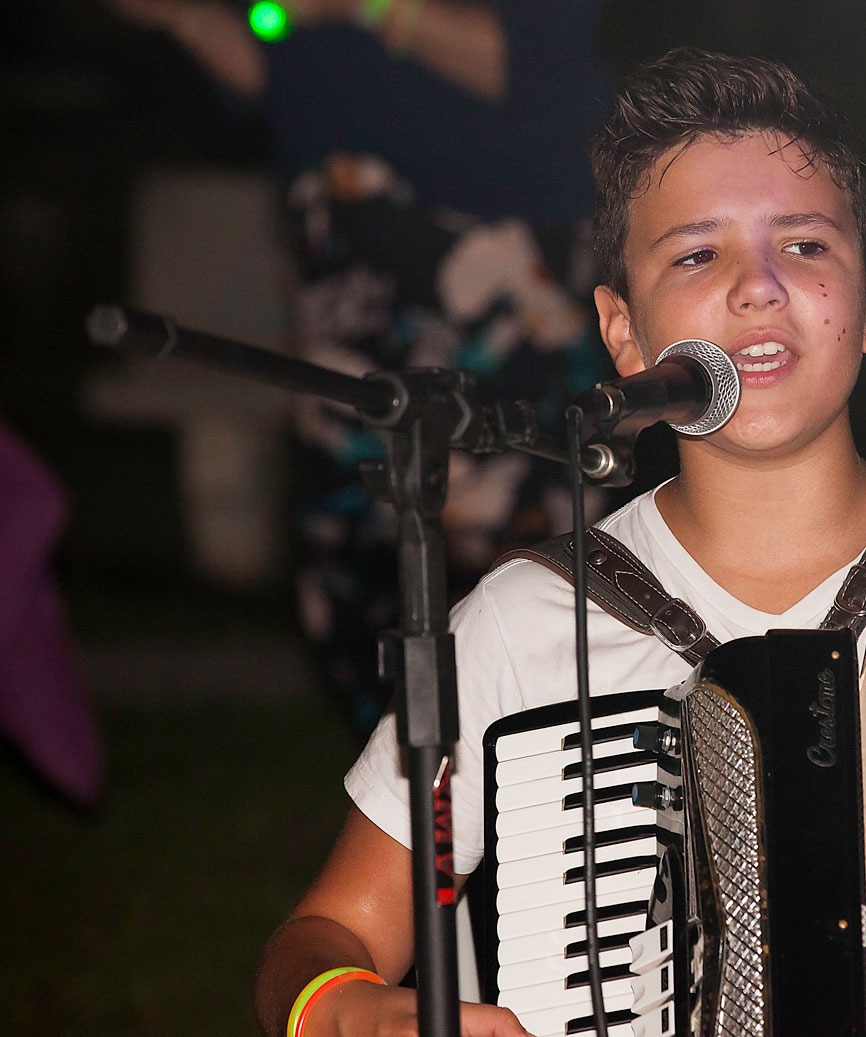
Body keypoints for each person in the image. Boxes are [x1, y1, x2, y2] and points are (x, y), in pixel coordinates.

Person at [253, 49, 866, 1037]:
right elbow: (325, 934)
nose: (757, 286)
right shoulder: (522, 626)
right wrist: (338, 1005)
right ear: (623, 333)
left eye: (805, 245)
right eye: (697, 254)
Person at [105, 0, 613, 731]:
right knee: (349, 570)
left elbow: (542, 72)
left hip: (494, 259)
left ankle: (528, 779)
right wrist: (183, 18)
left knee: (519, 565)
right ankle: (411, 785)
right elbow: (275, 64)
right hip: (341, 260)